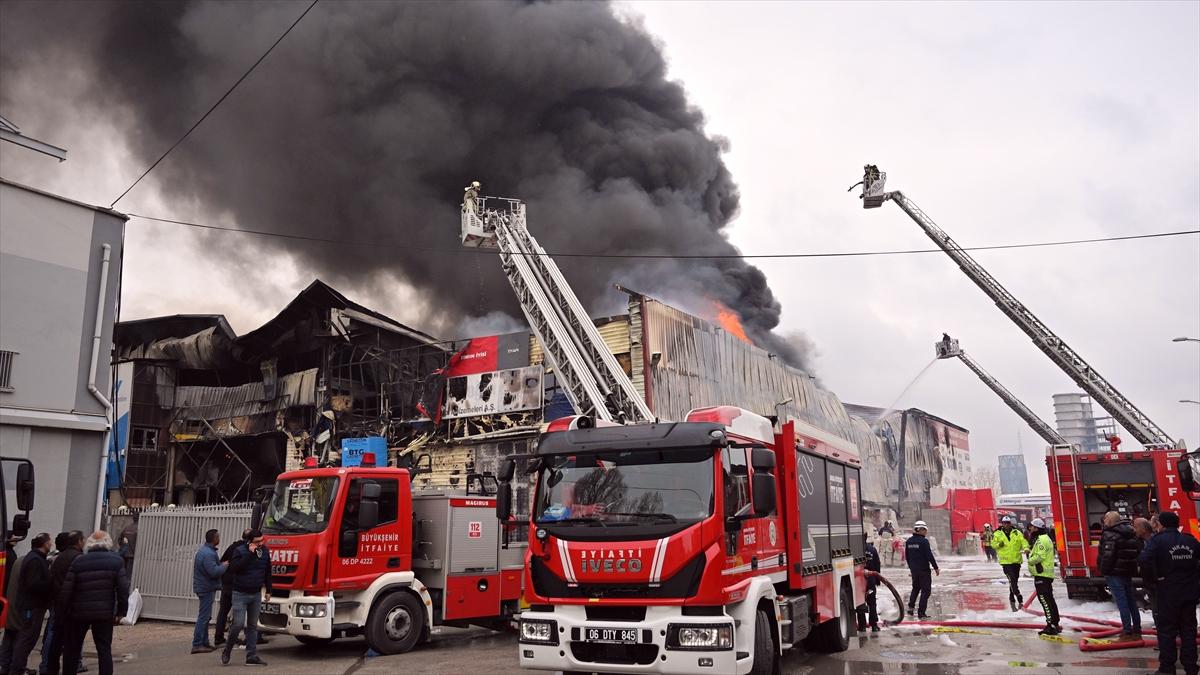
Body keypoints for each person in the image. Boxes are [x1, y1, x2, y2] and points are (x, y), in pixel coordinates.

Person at [59, 531, 130, 675]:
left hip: (78, 612)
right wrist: (121, 612)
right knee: (104, 649)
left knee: (72, 649)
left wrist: (63, 611)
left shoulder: (79, 561)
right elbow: (123, 588)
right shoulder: (116, 561)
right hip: (103, 612)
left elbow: (67, 590)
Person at [1138, 511, 1199, 675]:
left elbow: (1144, 560)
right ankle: (1191, 667)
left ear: (1161, 524)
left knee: (1166, 632)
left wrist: (1152, 580)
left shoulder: (1157, 541)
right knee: (1188, 630)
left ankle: (1167, 667)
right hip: (1189, 593)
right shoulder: (1190, 540)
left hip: (1167, 592)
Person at [219, 530, 271, 667]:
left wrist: (269, 590)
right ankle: (227, 650)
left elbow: (267, 571)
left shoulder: (265, 552)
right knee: (238, 624)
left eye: (262, 540)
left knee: (253, 626)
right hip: (240, 593)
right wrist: (249, 554)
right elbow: (235, 568)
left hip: (256, 594)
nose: (260, 543)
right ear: (250, 542)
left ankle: (251, 655)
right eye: (257, 541)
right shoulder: (240, 551)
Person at [9, 533, 53, 674]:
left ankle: (18, 666)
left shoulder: (35, 558)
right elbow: (32, 583)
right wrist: (50, 584)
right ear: (44, 544)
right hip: (31, 606)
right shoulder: (35, 560)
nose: (51, 545)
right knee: (26, 638)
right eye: (49, 542)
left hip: (32, 605)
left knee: (27, 637)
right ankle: (18, 668)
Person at [42, 530, 85, 675]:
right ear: (78, 542)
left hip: (57, 600)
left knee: (54, 634)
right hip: (71, 602)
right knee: (73, 638)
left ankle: (47, 665)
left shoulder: (57, 558)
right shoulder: (78, 558)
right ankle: (73, 664)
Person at [1098, 511, 1142, 641]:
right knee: (1131, 601)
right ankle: (1137, 627)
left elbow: (1108, 555)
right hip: (1127, 572)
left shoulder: (1110, 534)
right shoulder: (1130, 532)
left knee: (1122, 602)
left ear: (1110, 521)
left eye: (1105, 519)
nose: (1104, 521)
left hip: (1114, 573)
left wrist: (1104, 570)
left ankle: (1127, 629)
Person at [192, 529, 228, 654]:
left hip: (204, 587)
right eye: (218, 536)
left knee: (206, 617)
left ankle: (204, 643)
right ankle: (197, 644)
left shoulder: (205, 551)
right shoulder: (208, 554)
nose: (219, 538)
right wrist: (224, 566)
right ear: (214, 539)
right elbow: (213, 572)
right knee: (204, 617)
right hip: (206, 588)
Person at [214, 529, 251, 647]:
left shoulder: (232, 547)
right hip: (237, 585)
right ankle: (233, 637)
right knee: (238, 612)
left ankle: (218, 637)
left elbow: (222, 562)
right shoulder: (247, 550)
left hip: (227, 583)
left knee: (223, 611)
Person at [1026, 518, 1060, 636]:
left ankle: (1050, 625)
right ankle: (1055, 623)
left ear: (1036, 528)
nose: (1030, 529)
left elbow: (1039, 556)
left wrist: (1030, 560)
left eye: (1032, 527)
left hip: (1042, 574)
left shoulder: (1041, 540)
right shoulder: (1047, 538)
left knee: (1045, 600)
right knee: (1050, 599)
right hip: (1046, 574)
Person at [991, 515, 1029, 611]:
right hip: (1006, 562)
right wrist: (999, 544)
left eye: (1008, 523)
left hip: (1016, 561)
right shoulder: (997, 533)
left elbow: (1023, 541)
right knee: (1012, 579)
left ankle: (1011, 598)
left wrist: (1026, 548)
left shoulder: (1017, 533)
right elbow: (993, 545)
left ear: (1010, 523)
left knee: (1013, 580)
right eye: (1004, 523)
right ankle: (1018, 595)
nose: (1006, 525)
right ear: (1002, 524)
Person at [0, 537, 26, 674]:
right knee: (15, 636)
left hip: (8, 597)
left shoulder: (10, 555)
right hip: (11, 599)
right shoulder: (10, 556)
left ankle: (5, 664)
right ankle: (13, 666)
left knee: (8, 635)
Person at [905, 520, 939, 619]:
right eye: (925, 530)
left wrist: (911, 568)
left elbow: (907, 556)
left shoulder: (909, 541)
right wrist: (935, 567)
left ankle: (911, 608)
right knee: (926, 591)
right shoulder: (924, 541)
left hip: (914, 570)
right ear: (921, 530)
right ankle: (921, 612)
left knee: (915, 588)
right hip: (924, 570)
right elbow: (929, 555)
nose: (926, 532)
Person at [859, 534, 882, 631]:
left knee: (859, 603)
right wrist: (877, 580)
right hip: (871, 580)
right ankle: (874, 625)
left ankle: (862, 626)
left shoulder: (855, 550)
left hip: (859, 580)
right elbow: (877, 565)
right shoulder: (872, 549)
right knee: (872, 603)